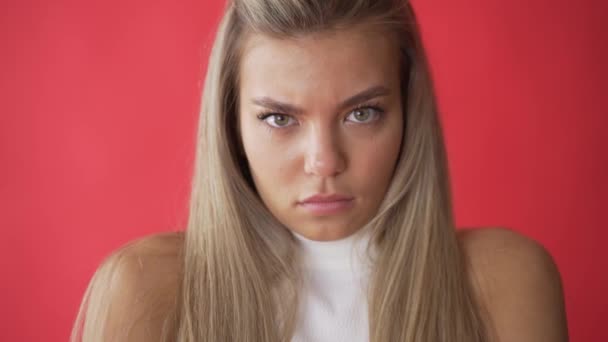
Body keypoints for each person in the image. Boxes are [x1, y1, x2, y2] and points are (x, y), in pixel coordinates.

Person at [70, 0, 568, 341]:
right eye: (279, 118)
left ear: (409, 113)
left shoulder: (504, 281)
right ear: (230, 123)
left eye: (361, 113)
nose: (324, 162)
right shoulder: (145, 289)